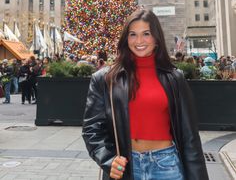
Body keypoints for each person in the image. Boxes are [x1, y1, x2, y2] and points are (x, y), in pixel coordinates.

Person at [82, 9, 209, 180]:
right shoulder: (105, 79)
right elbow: (92, 129)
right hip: (125, 166)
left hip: (166, 165)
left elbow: (190, 136)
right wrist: (109, 160)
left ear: (156, 38)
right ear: (126, 39)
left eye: (146, 34)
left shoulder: (174, 78)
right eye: (133, 34)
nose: (139, 41)